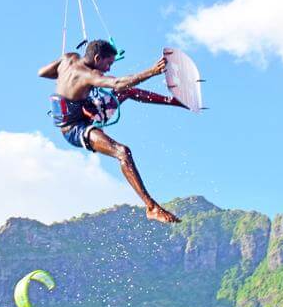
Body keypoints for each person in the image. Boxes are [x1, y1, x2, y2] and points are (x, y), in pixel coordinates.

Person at [38, 39, 186, 223]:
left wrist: (66, 79)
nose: (108, 69)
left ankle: (172, 101)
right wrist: (152, 71)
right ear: (97, 58)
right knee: (122, 152)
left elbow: (42, 72)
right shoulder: (87, 74)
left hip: (85, 110)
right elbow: (117, 83)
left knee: (127, 92)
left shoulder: (69, 58)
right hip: (75, 129)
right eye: (108, 63)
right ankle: (151, 207)